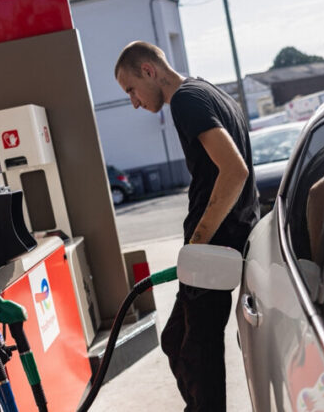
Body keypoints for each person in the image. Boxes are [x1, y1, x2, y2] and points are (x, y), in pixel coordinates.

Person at [115, 41, 259, 411]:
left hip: (213, 246)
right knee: (176, 338)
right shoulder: (210, 91)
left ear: (149, 69)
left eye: (131, 89)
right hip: (221, 243)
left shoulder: (185, 100)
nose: (134, 101)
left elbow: (235, 170)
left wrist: (198, 242)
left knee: (198, 353)